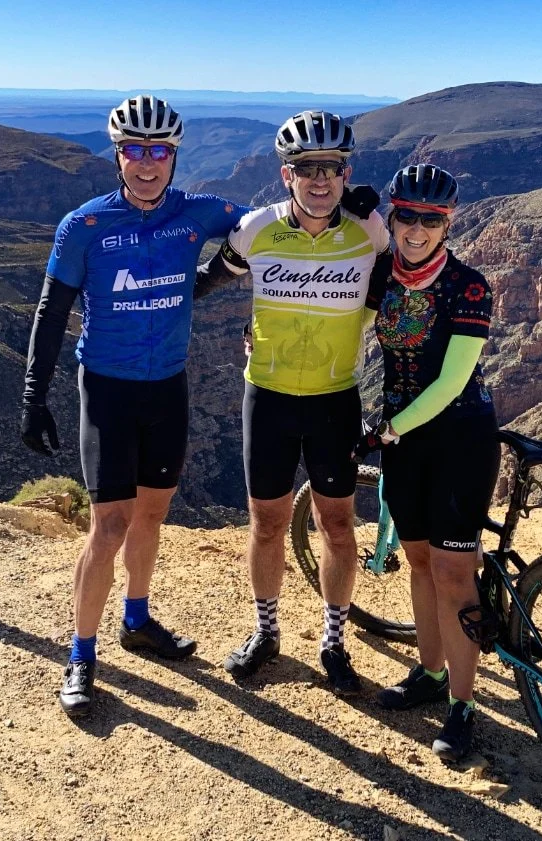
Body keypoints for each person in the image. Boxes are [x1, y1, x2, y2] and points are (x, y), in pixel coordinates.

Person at [20, 95, 251, 718]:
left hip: (169, 388)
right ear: (117, 154)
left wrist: (349, 209)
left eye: (159, 151)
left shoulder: (197, 213)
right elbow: (51, 312)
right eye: (134, 150)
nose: (147, 163)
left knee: (153, 515)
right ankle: (81, 653)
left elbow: (272, 225)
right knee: (110, 525)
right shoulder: (84, 225)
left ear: (175, 156)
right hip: (108, 388)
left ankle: (138, 620)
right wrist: (33, 396)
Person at [197, 111, 391, 693]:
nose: (319, 179)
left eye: (330, 167)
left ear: (345, 171)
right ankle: (266, 632)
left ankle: (333, 641)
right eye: (307, 168)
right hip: (270, 399)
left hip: (336, 398)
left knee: (337, 523)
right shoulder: (257, 229)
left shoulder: (368, 233)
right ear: (287, 174)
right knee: (267, 524)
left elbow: (413, 256)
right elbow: (211, 277)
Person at [359, 164, 499, 760]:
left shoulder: (469, 286)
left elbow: (450, 381)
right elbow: (340, 320)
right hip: (403, 445)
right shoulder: (382, 275)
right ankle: (431, 672)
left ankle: (463, 706)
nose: (416, 229)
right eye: (406, 216)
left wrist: (388, 427)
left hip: (458, 440)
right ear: (393, 217)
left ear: (449, 222)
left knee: (453, 576)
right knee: (418, 562)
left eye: (430, 219)